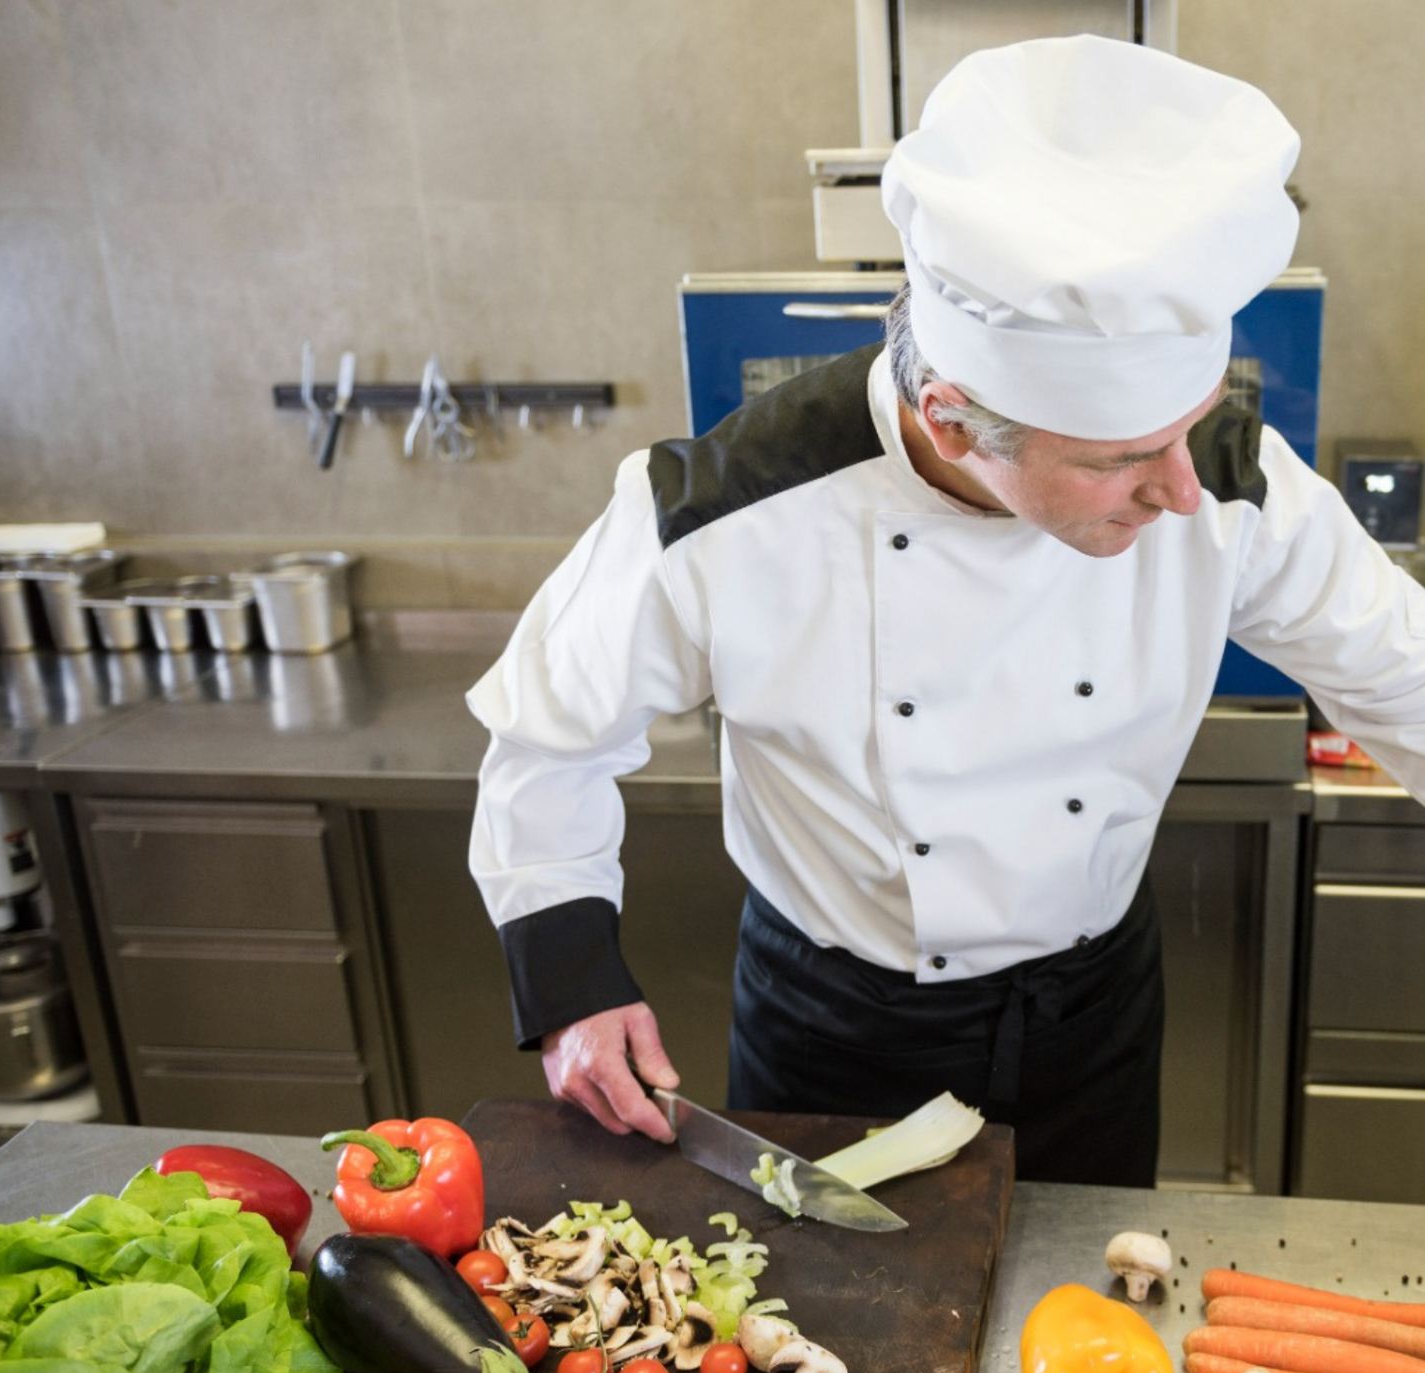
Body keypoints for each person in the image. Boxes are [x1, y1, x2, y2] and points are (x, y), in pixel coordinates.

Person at [465, 35, 1425, 1186]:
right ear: (953, 417)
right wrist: (574, 987)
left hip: (1093, 1016)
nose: (1180, 487)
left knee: (1082, 1320)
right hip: (834, 1029)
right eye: (1121, 456)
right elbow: (546, 737)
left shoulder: (1225, 481)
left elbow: (1400, 670)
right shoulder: (730, 509)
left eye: (1190, 421)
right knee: (832, 1339)